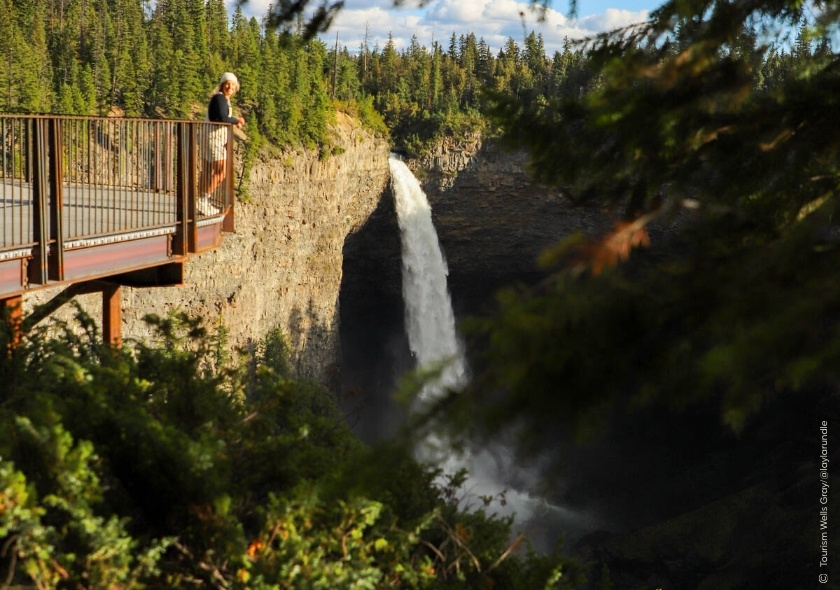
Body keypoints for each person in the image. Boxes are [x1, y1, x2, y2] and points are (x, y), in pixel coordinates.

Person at [199, 72, 245, 215]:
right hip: (214, 138)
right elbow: (221, 117)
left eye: (232, 84)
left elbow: (220, 117)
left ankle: (200, 201)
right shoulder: (220, 98)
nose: (230, 86)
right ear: (222, 84)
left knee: (207, 171)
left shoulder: (221, 99)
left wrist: (233, 121)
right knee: (221, 171)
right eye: (227, 83)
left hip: (209, 136)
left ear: (236, 87)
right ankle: (203, 199)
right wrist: (237, 120)